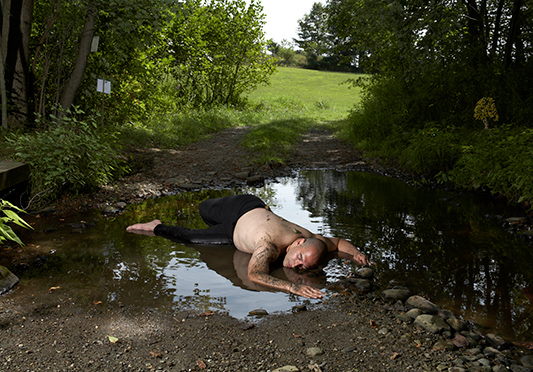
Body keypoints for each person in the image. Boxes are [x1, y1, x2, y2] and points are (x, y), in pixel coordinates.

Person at [126, 194, 369, 299]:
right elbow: (255, 274)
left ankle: (155, 226)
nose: (297, 264)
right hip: (243, 205)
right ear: (298, 241)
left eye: (302, 267)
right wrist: (292, 287)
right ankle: (177, 219)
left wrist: (355, 253)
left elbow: (336, 242)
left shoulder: (312, 241)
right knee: (203, 209)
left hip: (234, 229)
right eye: (299, 257)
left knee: (190, 239)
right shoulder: (270, 246)